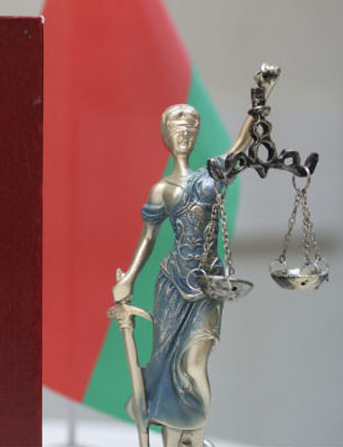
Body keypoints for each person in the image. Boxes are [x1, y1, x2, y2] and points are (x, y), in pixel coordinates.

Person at [112, 73, 275, 447]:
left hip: (206, 286)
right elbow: (149, 237)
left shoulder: (211, 178)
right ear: (167, 138)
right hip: (172, 285)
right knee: (165, 369)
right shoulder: (161, 189)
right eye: (176, 131)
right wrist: (129, 278)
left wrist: (261, 98)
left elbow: (240, 146)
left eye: (189, 131)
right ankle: (174, 441)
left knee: (194, 363)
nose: (183, 136)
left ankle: (196, 439)